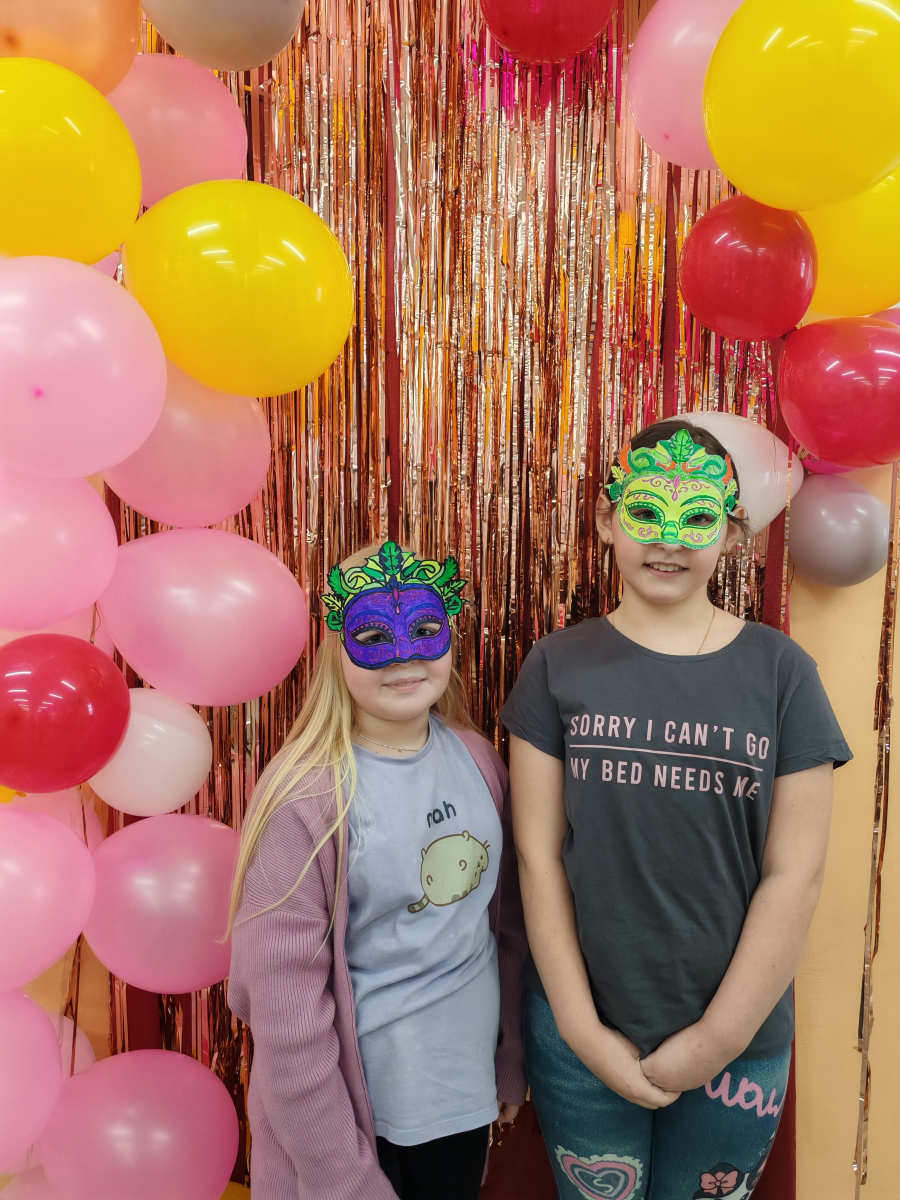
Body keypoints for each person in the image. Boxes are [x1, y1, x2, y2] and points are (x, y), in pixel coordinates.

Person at [501, 419, 851, 1200]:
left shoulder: (783, 673)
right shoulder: (555, 665)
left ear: (733, 534)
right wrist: (583, 1030)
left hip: (739, 1045)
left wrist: (715, 1041)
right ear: (606, 520)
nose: (667, 539)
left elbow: (794, 875)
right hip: (581, 1036)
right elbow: (537, 856)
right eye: (644, 511)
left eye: (696, 517)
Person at [227, 540, 527, 1200]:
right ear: (337, 648)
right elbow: (283, 1011)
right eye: (373, 636)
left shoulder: (479, 760)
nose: (405, 657)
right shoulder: (305, 796)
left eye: (425, 629)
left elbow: (505, 928)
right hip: (352, 1126)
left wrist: (509, 1057)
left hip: (459, 1100)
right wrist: (341, 1173)